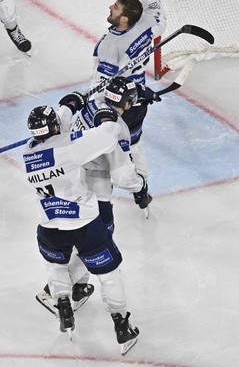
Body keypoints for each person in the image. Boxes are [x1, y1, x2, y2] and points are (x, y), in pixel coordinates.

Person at [21, 103, 149, 355]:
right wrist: (109, 117)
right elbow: (108, 133)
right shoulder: (69, 149)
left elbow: (56, 130)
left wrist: (68, 105)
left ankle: (64, 307)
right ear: (55, 127)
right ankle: (122, 326)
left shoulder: (28, 151)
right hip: (83, 224)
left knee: (56, 267)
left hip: (49, 225)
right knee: (109, 274)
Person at [34, 76, 152, 318]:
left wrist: (68, 103)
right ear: (129, 104)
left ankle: (76, 289)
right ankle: (54, 292)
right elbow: (122, 175)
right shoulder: (116, 126)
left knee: (73, 242)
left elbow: (62, 125)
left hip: (67, 184)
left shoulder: (92, 104)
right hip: (94, 195)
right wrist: (140, 187)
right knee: (94, 247)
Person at [91, 0, 166, 180]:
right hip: (140, 99)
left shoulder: (110, 45)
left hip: (119, 103)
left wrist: (92, 105)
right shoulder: (146, 25)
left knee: (110, 147)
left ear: (124, 19)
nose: (110, 7)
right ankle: (142, 186)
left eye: (115, 7)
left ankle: (108, 186)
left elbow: (101, 83)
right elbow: (159, 15)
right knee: (135, 143)